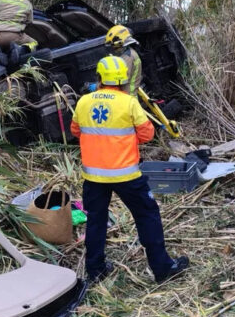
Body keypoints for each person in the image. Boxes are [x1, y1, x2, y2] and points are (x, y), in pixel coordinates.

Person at [70, 55, 188, 283]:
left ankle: (95, 271)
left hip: (93, 177)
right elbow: (147, 134)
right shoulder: (128, 102)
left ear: (100, 77)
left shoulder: (84, 101)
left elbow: (76, 130)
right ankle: (162, 268)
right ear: (123, 79)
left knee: (96, 221)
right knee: (147, 216)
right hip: (126, 175)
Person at [105, 25, 141, 96]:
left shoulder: (128, 57)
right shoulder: (129, 53)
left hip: (128, 98)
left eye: (113, 45)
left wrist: (97, 86)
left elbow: (119, 80)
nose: (113, 48)